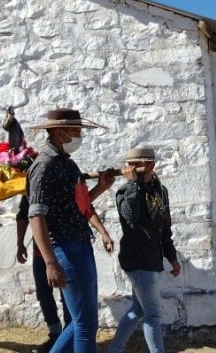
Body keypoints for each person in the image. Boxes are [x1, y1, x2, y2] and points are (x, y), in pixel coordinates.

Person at [27, 109, 116, 353]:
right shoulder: (43, 166)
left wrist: (101, 187)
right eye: (75, 132)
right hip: (64, 247)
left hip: (79, 243)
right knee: (85, 323)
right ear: (59, 132)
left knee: (83, 322)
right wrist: (50, 262)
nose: (79, 137)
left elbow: (78, 204)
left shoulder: (66, 163)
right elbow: (36, 216)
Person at [16, 194, 114, 351]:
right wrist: (20, 244)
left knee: (74, 310)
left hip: (62, 254)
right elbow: (27, 216)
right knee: (44, 293)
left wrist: (103, 232)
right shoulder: (36, 185)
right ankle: (55, 334)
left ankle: (70, 336)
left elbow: (86, 207)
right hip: (43, 254)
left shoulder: (68, 183)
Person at [108, 148, 180, 353]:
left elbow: (164, 228)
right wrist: (133, 185)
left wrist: (172, 258)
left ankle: (115, 349)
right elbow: (130, 217)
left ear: (150, 165)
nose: (133, 169)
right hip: (137, 259)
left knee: (137, 310)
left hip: (152, 258)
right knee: (153, 314)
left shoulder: (159, 191)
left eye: (137, 165)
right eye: (130, 166)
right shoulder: (126, 191)